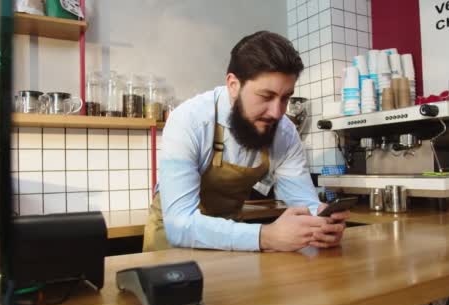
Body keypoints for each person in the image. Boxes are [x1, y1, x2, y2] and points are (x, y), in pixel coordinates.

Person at [143, 31, 349, 252]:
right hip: (170, 250)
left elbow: (303, 203)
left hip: (233, 244)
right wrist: (266, 236)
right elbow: (180, 225)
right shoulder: (189, 121)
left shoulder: (285, 133)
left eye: (285, 98)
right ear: (233, 84)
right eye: (266, 96)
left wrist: (320, 222)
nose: (277, 112)